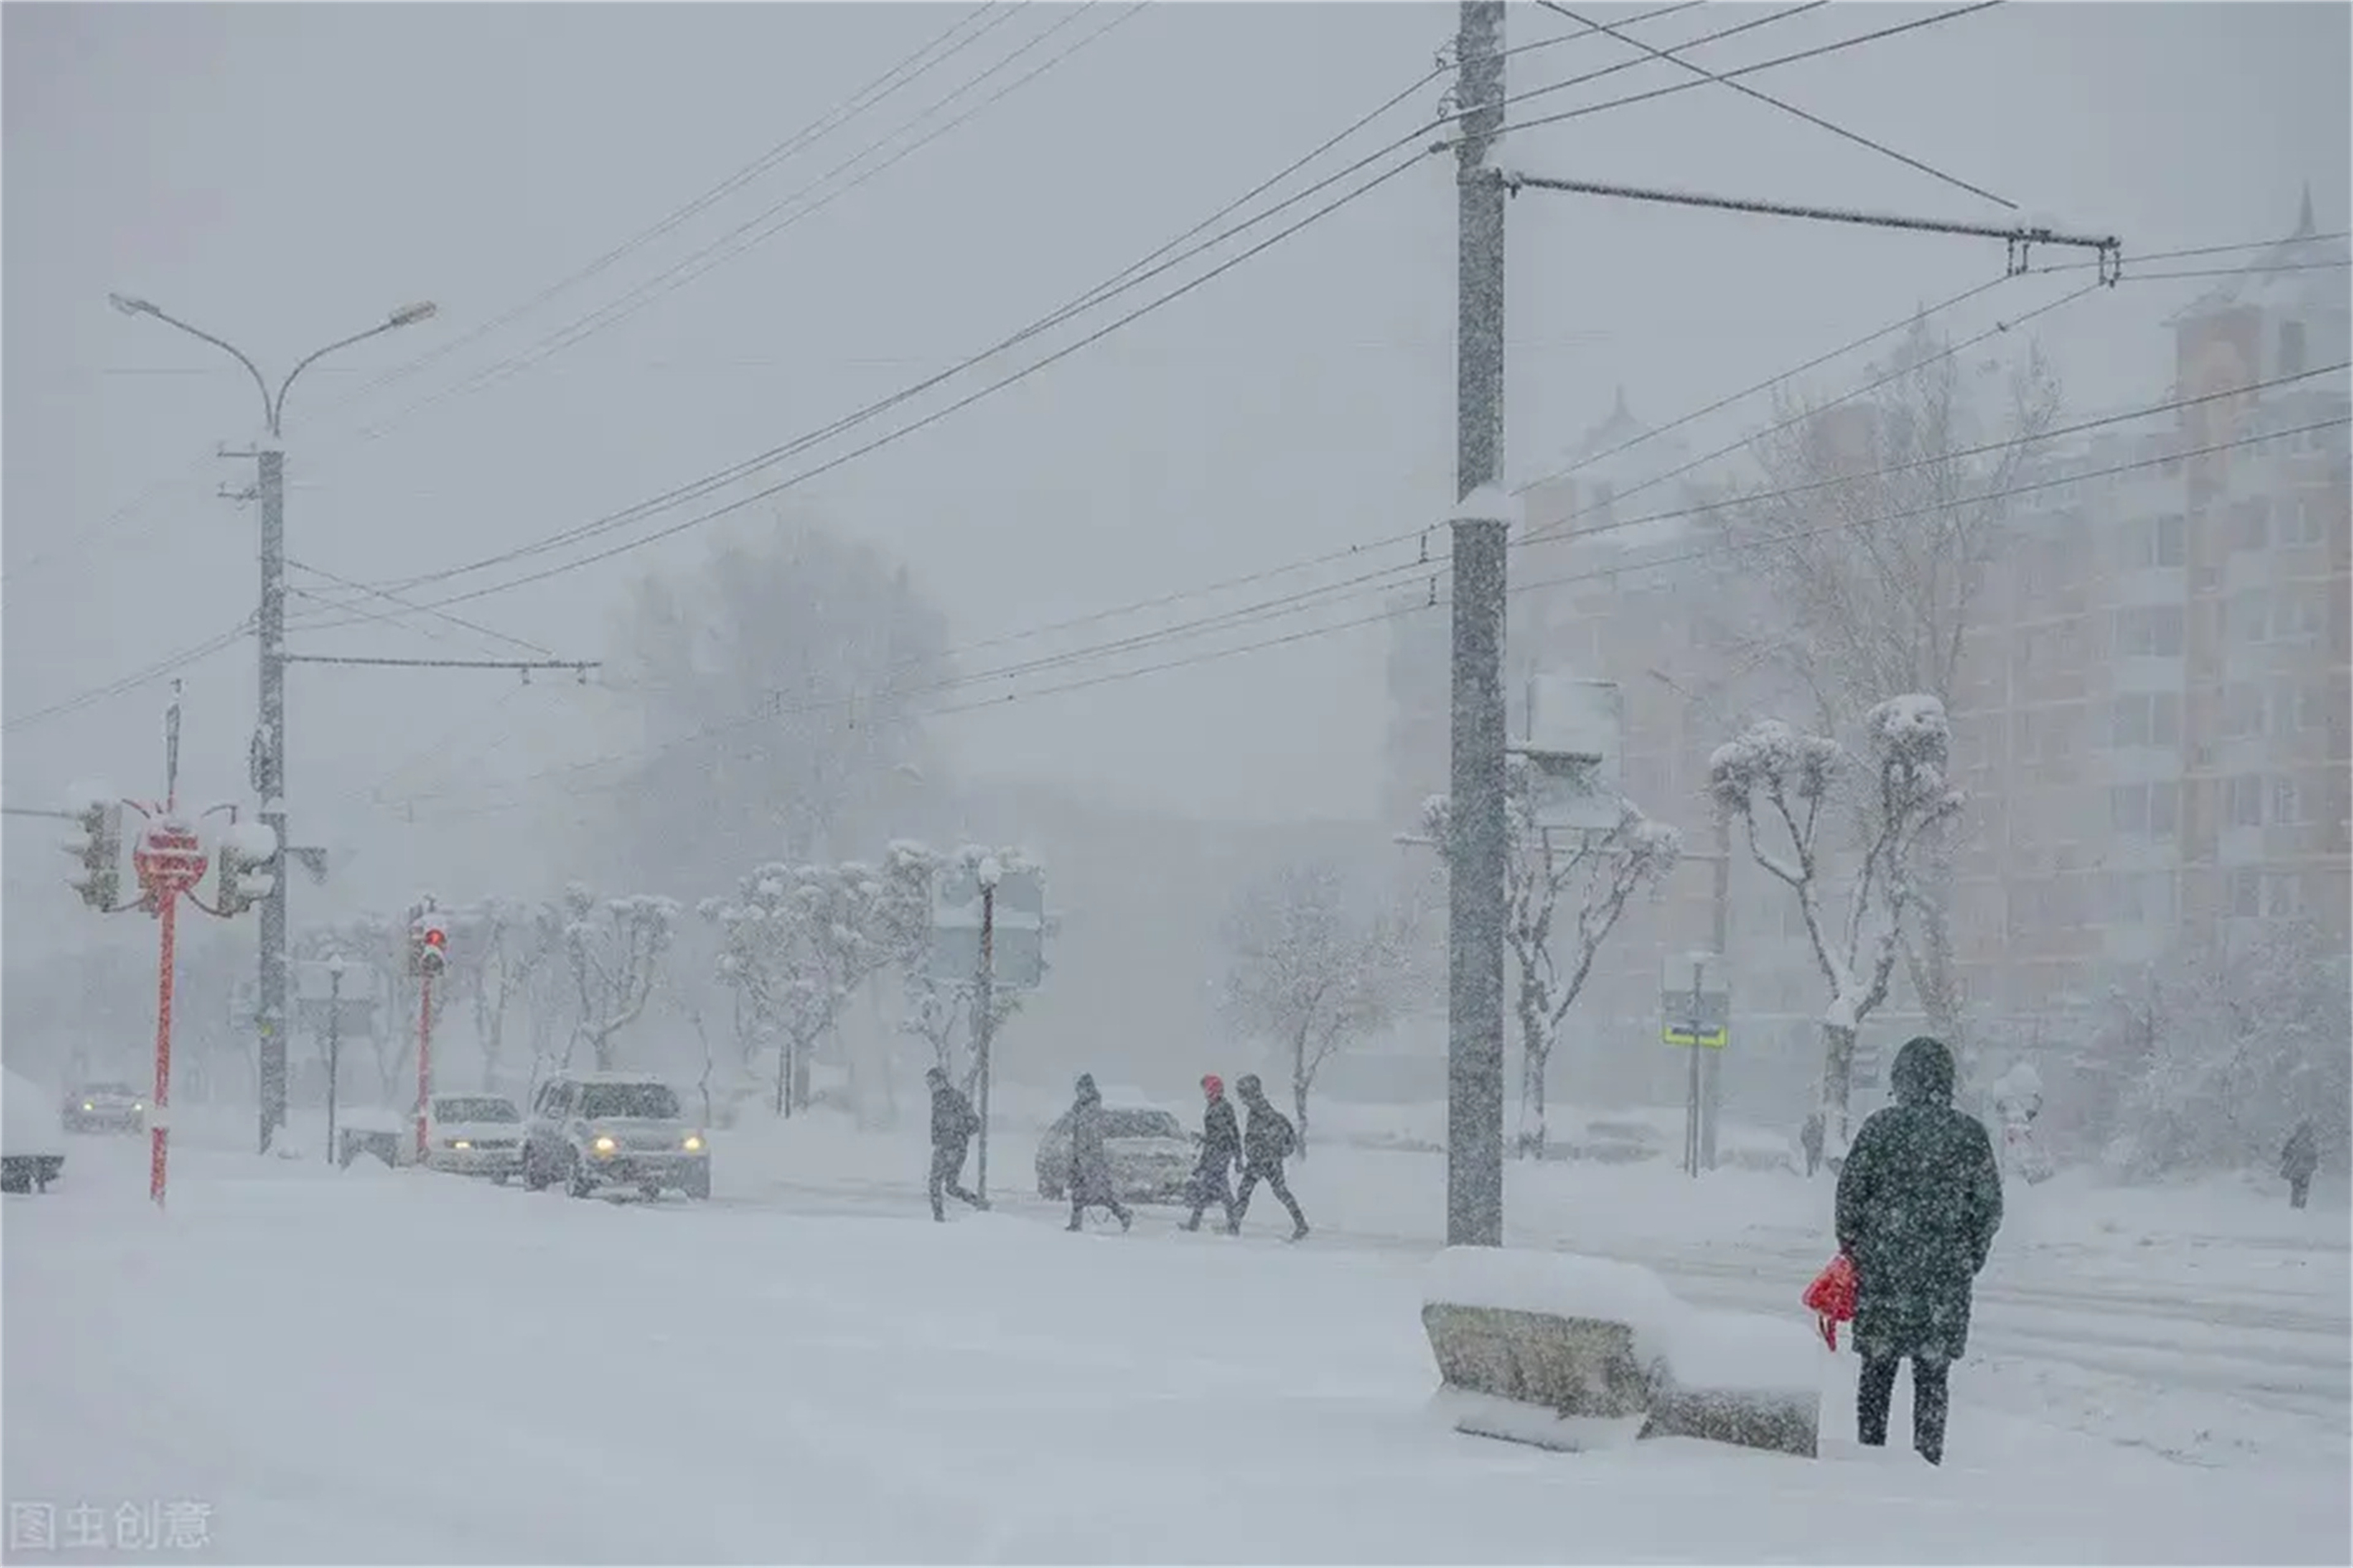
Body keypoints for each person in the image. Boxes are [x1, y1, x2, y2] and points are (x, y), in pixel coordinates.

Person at [1834, 1036, 2002, 1466]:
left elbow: (1849, 1199)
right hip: (1943, 1284)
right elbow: (1988, 1209)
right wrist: (1967, 1257)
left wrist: (1856, 1251)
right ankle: (1927, 1465)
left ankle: (1869, 1460)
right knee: (1933, 1379)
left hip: (1882, 1279)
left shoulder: (1879, 1129)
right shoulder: (1969, 1136)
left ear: (1901, 1080)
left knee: (1876, 1375)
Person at [1231, 1074, 1308, 1241]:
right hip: (1271, 1160)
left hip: (1262, 1160)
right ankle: (1301, 1223)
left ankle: (1233, 1226)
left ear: (1250, 1092)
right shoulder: (1261, 1108)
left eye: (1242, 1094)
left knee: (1245, 1190)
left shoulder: (1259, 1110)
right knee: (1280, 1191)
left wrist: (1256, 1151)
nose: (1241, 1099)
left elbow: (1258, 1136)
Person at [1064, 1073, 1132, 1233]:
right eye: (1078, 1090)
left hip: (1090, 1160)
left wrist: (1089, 1160)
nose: (1079, 1093)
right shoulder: (1080, 1109)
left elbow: (1093, 1138)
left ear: (1089, 1090)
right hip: (1080, 1158)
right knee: (1080, 1192)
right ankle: (1076, 1223)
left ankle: (1123, 1214)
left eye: (1082, 1090)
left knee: (1101, 1194)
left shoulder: (1092, 1110)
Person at [925, 1067, 987, 1222]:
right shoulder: (937, 1099)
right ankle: (940, 1218)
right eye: (928, 1084)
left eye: (932, 1082)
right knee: (942, 1186)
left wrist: (958, 1135)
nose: (930, 1087)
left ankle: (978, 1204)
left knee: (943, 1185)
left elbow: (975, 1123)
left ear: (942, 1081)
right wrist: (937, 1138)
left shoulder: (956, 1098)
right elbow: (937, 1123)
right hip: (943, 1146)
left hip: (955, 1147)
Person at [1182, 1073, 1241, 1233]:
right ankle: (1197, 1224)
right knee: (1210, 1190)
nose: (1205, 1093)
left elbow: (1228, 1133)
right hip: (1216, 1153)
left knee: (1218, 1190)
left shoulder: (1222, 1108)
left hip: (1219, 1154)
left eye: (1207, 1089)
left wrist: (1238, 1157)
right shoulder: (1215, 1107)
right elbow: (1219, 1134)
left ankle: (1232, 1224)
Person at [2281, 1119, 2319, 1211]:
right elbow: (2315, 1157)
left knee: (2297, 1188)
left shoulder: (2294, 1141)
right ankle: (2300, 1206)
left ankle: (2296, 1206)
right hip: (2305, 1170)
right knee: (2303, 1188)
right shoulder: (2310, 1143)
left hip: (2297, 1170)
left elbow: (2285, 1154)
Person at [1800, 1108, 1826, 1178]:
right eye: (1811, 1119)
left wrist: (1820, 1145)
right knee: (1810, 1160)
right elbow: (1802, 1137)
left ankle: (1817, 1171)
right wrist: (1806, 1144)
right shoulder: (1806, 1127)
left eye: (1813, 1119)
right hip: (1810, 1146)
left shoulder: (1818, 1127)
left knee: (1817, 1160)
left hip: (1816, 1146)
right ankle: (1810, 1172)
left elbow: (1822, 1135)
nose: (1812, 1120)